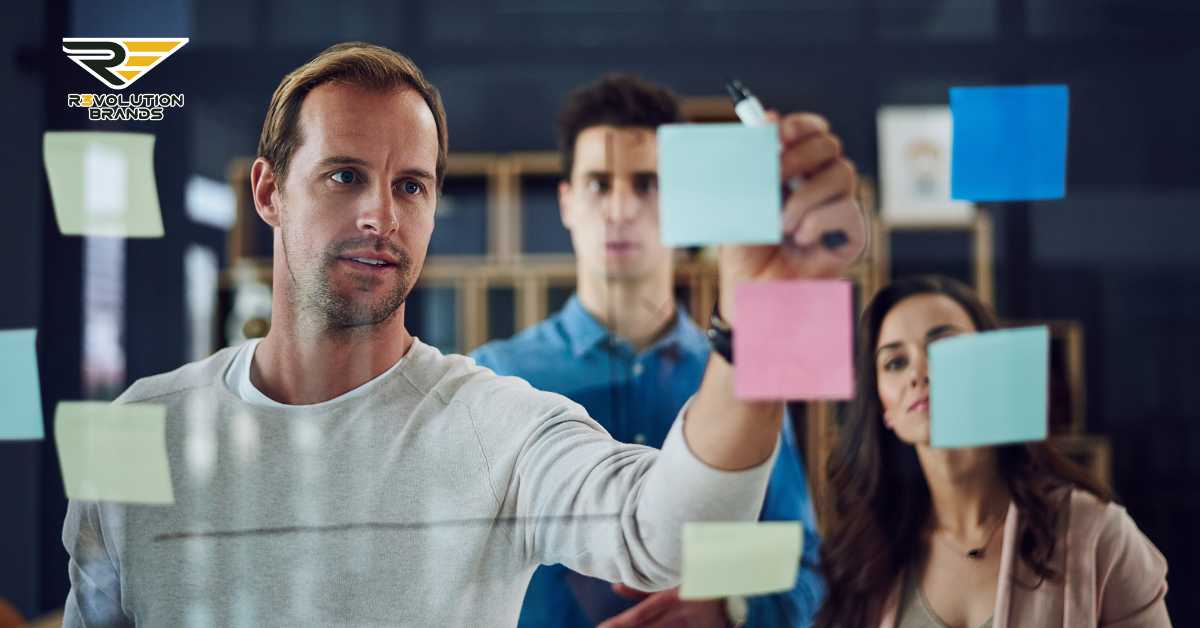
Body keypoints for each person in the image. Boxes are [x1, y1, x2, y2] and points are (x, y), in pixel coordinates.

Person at [60, 42, 867, 626]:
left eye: (411, 185)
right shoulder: (138, 430)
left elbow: (674, 531)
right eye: (345, 175)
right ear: (269, 191)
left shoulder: (496, 421)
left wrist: (761, 324)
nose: (381, 213)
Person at [471, 74, 823, 628]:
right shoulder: (496, 375)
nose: (619, 208)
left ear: (684, 200)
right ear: (566, 202)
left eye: (646, 183)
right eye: (598, 183)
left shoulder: (742, 375)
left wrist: (731, 608)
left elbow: (806, 573)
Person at [815, 275, 1171, 628]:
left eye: (944, 347)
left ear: (993, 367)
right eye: (895, 362)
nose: (918, 373)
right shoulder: (864, 557)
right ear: (884, 409)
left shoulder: (1096, 533)